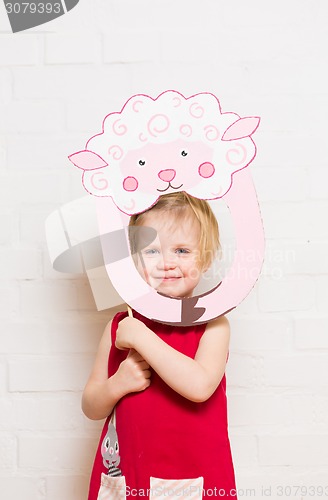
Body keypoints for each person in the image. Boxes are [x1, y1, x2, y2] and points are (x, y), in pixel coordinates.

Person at [83, 192, 237, 499]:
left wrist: (141, 337)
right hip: (129, 470)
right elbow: (91, 405)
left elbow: (200, 386)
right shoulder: (120, 324)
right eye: (152, 251)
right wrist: (118, 383)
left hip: (194, 470)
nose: (167, 263)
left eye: (182, 250)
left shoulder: (213, 324)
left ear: (204, 258)